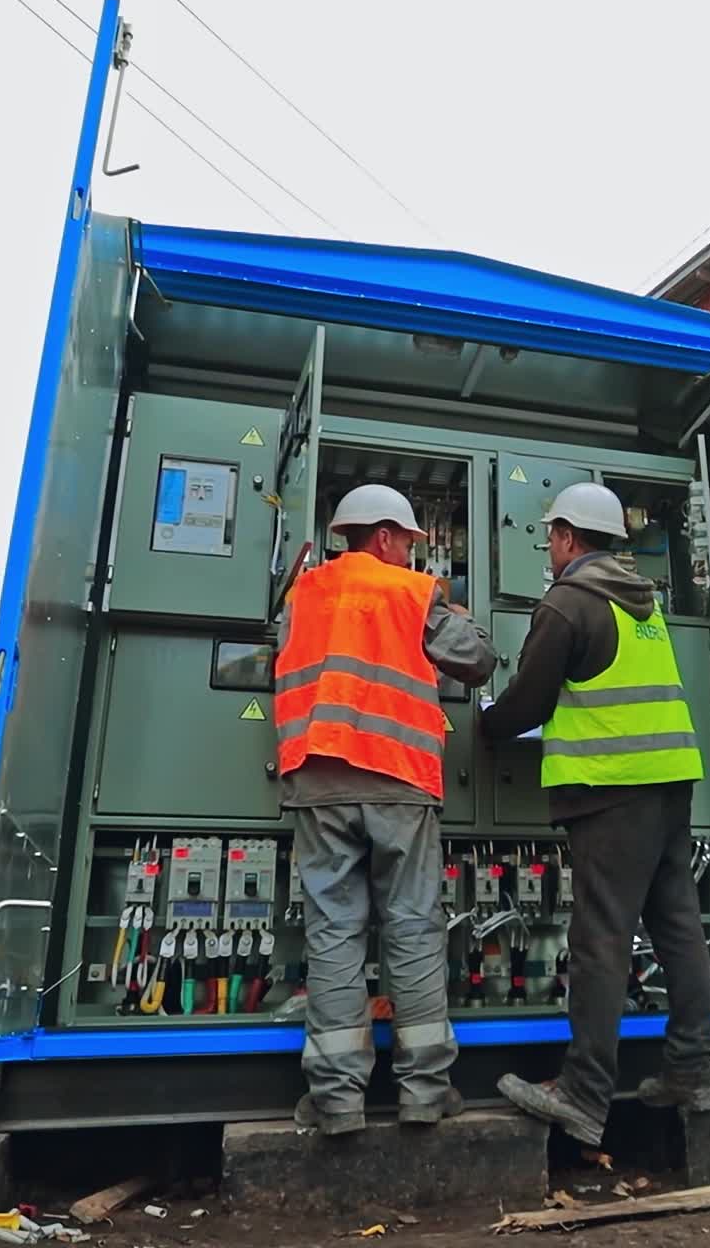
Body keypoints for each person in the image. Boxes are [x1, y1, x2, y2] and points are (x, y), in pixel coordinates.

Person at [480, 482, 710, 1146]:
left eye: (551, 537)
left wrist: (484, 724)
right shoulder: (645, 604)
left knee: (600, 941)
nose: (549, 549)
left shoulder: (568, 602)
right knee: (679, 930)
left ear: (566, 539)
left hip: (613, 793)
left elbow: (527, 704)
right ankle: (694, 1071)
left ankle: (584, 1095)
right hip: (672, 787)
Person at [276, 483, 496, 1136]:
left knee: (334, 932)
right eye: (407, 541)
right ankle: (424, 1092)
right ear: (383, 536)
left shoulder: (302, 594)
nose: (410, 551)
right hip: (398, 778)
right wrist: (454, 608)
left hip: (318, 780)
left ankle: (338, 1100)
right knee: (412, 928)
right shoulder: (410, 592)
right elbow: (480, 660)